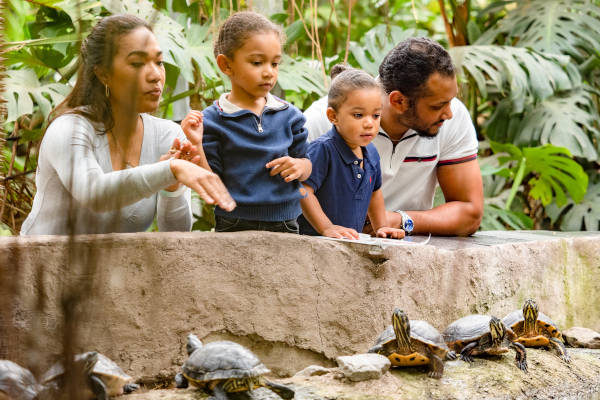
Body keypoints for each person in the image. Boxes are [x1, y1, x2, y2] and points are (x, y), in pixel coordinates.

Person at [21, 14, 235, 235]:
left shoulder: (167, 135)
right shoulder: (68, 130)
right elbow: (94, 194)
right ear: (103, 73)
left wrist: (172, 187)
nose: (155, 76)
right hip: (42, 266)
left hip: (117, 269)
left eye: (159, 62)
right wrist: (169, 169)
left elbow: (175, 234)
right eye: (137, 63)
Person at [303, 37, 483, 236]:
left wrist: (397, 221)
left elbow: (469, 213)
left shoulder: (452, 117)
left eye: (451, 100)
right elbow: (294, 193)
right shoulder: (322, 121)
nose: (449, 113)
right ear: (398, 101)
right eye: (437, 106)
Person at [201, 11, 312, 233]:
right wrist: (195, 143)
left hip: (285, 222)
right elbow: (209, 180)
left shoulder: (290, 115)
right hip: (234, 223)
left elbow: (307, 164)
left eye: (275, 63)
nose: (269, 72)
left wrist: (299, 166)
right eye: (257, 62)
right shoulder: (213, 120)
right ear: (226, 65)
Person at [298, 66, 404, 240]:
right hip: (314, 243)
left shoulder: (371, 153)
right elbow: (303, 189)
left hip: (350, 243)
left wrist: (382, 227)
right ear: (333, 116)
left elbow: (374, 193)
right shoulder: (323, 149)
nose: (369, 123)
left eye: (376, 115)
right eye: (358, 115)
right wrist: (326, 228)